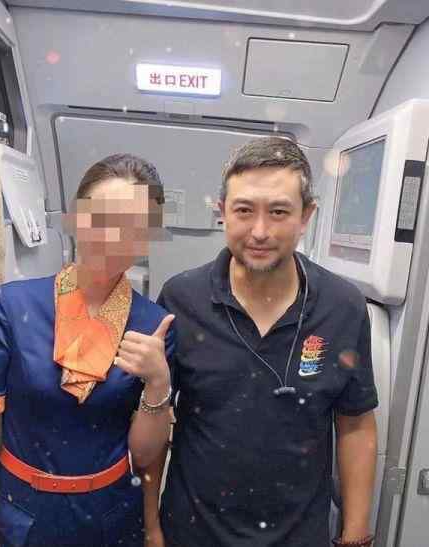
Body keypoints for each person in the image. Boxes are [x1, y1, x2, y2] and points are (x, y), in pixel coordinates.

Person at [146, 137, 378, 547]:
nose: (259, 231)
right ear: (222, 212)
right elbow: (156, 417)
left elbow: (355, 424)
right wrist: (151, 528)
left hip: (298, 536)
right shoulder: (182, 299)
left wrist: (356, 535)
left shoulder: (343, 306)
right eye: (244, 210)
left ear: (306, 216)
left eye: (278, 212)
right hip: (193, 532)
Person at [0, 153, 175, 547]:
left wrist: (159, 382)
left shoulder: (154, 327)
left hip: (111, 516)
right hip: (23, 513)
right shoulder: (12, 306)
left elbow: (143, 455)